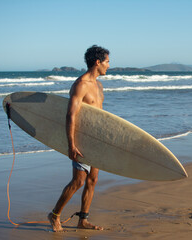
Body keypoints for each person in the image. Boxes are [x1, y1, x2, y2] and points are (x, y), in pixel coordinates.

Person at [48, 45, 110, 232]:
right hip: (81, 138)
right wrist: (71, 144)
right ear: (97, 62)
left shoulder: (98, 84)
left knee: (93, 179)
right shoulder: (81, 84)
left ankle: (83, 219)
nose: (109, 65)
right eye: (107, 61)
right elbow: (71, 115)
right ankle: (55, 215)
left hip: (96, 138)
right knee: (78, 181)